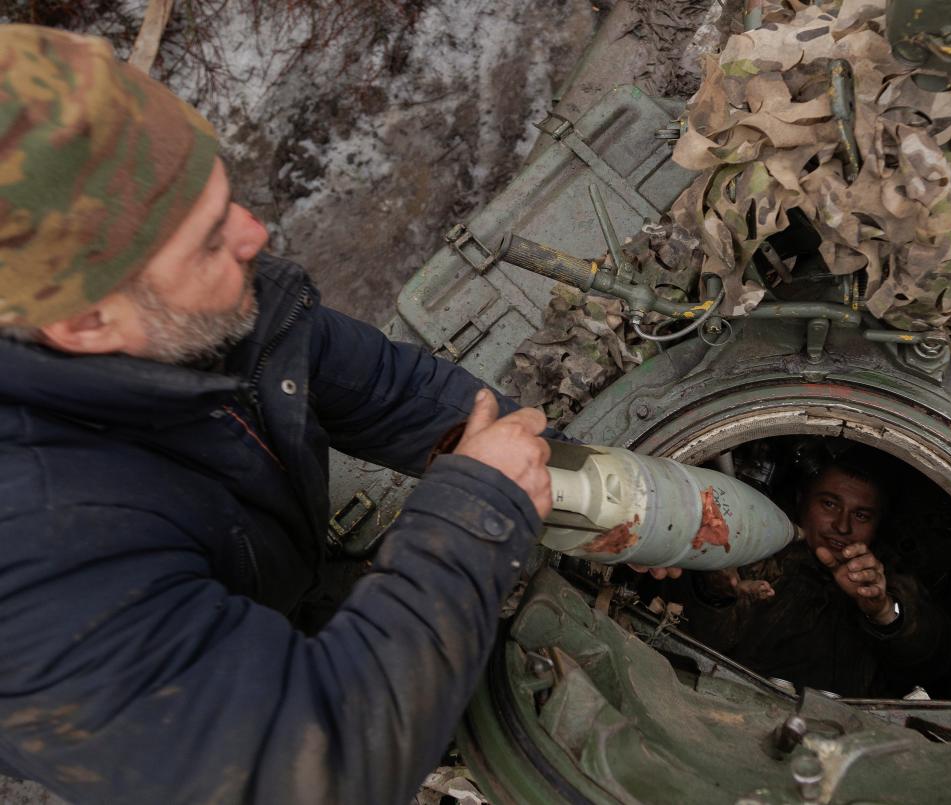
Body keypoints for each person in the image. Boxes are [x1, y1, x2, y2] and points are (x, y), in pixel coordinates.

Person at [0, 25, 555, 804]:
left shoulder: (188, 306)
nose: (256, 233)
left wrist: (568, 477)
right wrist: (474, 516)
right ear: (87, 324)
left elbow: (376, 382)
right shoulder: (33, 567)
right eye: (206, 241)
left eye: (225, 196)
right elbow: (309, 771)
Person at [671, 454, 951, 698]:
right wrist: (714, 593)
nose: (842, 527)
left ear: (878, 524)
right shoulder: (751, 550)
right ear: (801, 500)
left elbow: (937, 661)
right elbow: (694, 645)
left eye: (861, 516)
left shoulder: (886, 577)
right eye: (829, 504)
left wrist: (884, 611)